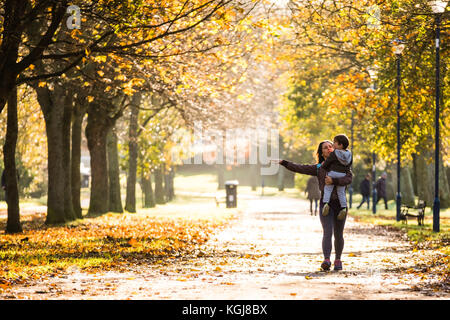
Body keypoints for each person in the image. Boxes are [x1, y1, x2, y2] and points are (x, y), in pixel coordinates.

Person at [272, 140, 353, 271]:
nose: (329, 149)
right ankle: (327, 260)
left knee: (338, 233)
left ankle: (338, 259)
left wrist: (334, 180)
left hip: (340, 205)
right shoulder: (319, 168)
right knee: (327, 232)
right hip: (325, 204)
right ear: (322, 153)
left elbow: (349, 179)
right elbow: (300, 168)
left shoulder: (343, 165)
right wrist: (283, 162)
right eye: (325, 148)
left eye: (331, 146)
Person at [321, 134, 352, 220]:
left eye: (334, 143)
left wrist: (324, 167)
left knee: (328, 189)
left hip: (333, 173)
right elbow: (349, 165)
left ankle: (326, 204)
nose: (333, 144)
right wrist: (345, 172)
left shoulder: (335, 153)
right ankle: (343, 208)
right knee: (341, 192)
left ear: (340, 145)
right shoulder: (349, 154)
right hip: (343, 174)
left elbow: (327, 162)